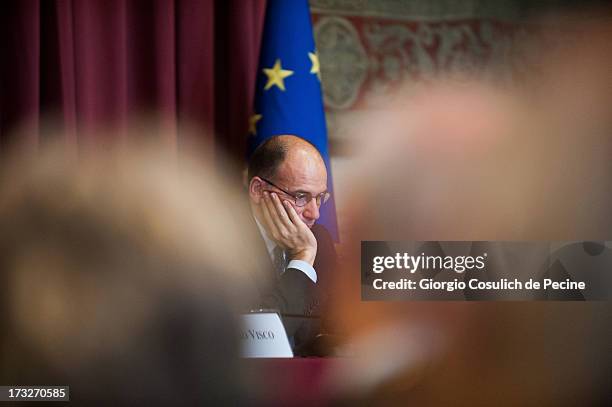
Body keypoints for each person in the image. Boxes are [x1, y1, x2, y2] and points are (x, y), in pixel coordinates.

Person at [246, 134, 337, 355]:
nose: (314, 213)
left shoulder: (320, 239)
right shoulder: (222, 243)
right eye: (300, 196)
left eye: (320, 197)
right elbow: (259, 342)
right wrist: (302, 259)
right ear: (258, 190)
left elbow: (334, 324)